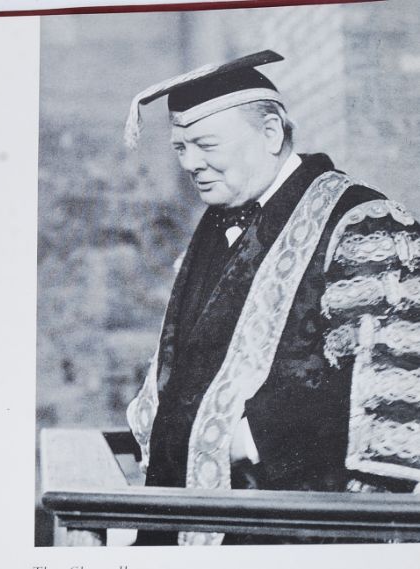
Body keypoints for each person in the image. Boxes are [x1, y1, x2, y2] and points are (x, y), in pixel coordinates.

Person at [123, 50, 420, 546]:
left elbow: (387, 388)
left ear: (270, 134)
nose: (190, 163)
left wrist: (248, 438)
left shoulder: (361, 222)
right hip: (193, 509)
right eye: (180, 148)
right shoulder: (214, 227)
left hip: (296, 521)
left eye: (206, 144)